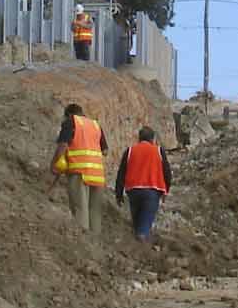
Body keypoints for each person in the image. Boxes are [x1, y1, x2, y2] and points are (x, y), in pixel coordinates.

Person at [50, 102, 109, 234]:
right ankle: (95, 244)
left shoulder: (70, 122)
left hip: (79, 172)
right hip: (97, 174)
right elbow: (105, 151)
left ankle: (82, 245)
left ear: (69, 114)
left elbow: (63, 145)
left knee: (80, 210)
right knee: (94, 212)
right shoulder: (95, 125)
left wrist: (54, 163)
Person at [113, 125, 173, 243]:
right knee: (144, 224)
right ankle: (142, 247)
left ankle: (135, 249)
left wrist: (118, 194)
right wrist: (166, 190)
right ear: (152, 139)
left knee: (137, 222)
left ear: (139, 138)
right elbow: (167, 172)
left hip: (133, 191)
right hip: (152, 190)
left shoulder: (130, 151)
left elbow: (121, 174)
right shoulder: (158, 150)